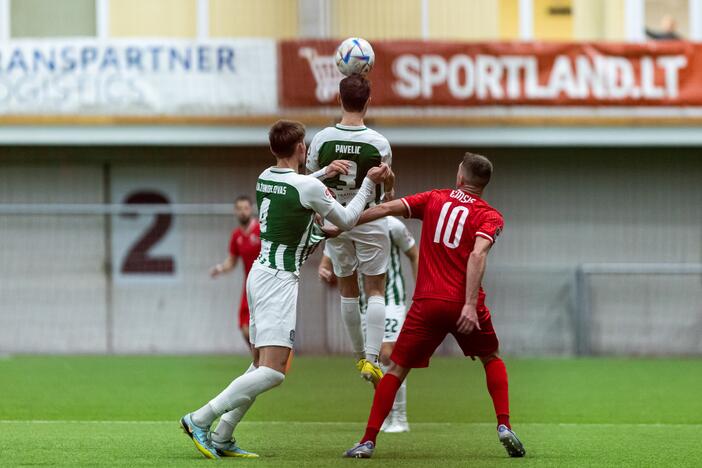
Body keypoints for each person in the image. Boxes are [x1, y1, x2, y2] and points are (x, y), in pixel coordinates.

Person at [181, 120, 390, 460]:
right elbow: (347, 220)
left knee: (259, 365)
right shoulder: (307, 187)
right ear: (299, 149)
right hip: (278, 279)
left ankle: (222, 435)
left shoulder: (265, 176)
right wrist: (367, 184)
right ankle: (199, 419)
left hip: (260, 273)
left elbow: (296, 187)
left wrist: (324, 172)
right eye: (305, 144)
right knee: (274, 371)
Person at [343, 152, 526, 459]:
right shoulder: (490, 216)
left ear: (460, 177)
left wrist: (344, 221)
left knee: (396, 370)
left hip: (427, 303)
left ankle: (368, 440)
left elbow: (387, 208)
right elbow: (478, 254)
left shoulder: (435, 198)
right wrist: (469, 305)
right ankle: (504, 426)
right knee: (491, 358)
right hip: (463, 304)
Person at [307, 73, 394, 387]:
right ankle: (372, 359)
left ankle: (358, 355)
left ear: (338, 99)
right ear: (369, 102)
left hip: (335, 217)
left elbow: (309, 181)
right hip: (368, 217)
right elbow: (385, 191)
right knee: (375, 289)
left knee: (347, 289)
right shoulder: (379, 143)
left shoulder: (321, 139)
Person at [319, 216, 418, 432]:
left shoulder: (392, 225)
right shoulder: (340, 224)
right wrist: (325, 271)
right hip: (362, 303)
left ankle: (400, 417)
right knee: (370, 363)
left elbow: (413, 253)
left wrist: (421, 290)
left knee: (387, 353)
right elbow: (326, 262)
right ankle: (387, 413)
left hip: (390, 297)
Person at [210, 196, 260, 354]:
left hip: (266, 285)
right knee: (245, 329)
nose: (242, 212)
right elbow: (232, 261)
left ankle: (266, 361)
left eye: (245, 208)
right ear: (235, 211)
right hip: (249, 287)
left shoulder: (261, 230)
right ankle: (258, 359)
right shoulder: (236, 235)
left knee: (265, 327)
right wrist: (220, 268)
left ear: (251, 209)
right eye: (239, 209)